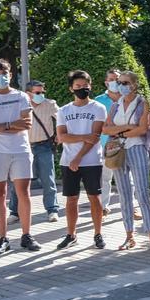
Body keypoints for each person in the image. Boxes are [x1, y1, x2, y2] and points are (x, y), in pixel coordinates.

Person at [0, 59, 40, 254]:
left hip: (20, 149)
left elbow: (26, 123)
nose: (1, 76)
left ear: (10, 74)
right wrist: (10, 125)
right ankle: (2, 238)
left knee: (24, 193)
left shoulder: (21, 96)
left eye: (4, 72)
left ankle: (27, 235)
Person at [102, 71, 150, 252]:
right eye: (119, 82)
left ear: (134, 84)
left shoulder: (142, 103)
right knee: (123, 193)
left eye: (125, 82)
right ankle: (129, 236)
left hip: (137, 148)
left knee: (142, 192)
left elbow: (142, 129)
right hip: (118, 150)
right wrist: (126, 128)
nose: (121, 85)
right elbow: (105, 128)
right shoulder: (115, 105)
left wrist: (117, 131)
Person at [55, 71, 107, 250]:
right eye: (78, 86)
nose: (82, 89)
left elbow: (95, 138)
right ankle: (71, 234)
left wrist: (78, 156)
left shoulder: (98, 108)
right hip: (68, 161)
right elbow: (61, 137)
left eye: (85, 86)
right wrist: (84, 136)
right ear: (71, 88)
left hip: (91, 160)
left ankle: (98, 233)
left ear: (90, 86)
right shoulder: (63, 110)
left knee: (95, 197)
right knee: (71, 199)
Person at [7, 80, 60, 224]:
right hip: (23, 147)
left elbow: (61, 120)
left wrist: (59, 136)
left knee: (48, 179)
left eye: (42, 92)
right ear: (28, 93)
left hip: (44, 146)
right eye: (37, 93)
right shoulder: (18, 105)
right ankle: (14, 212)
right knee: (18, 181)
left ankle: (52, 210)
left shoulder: (50, 104)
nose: (41, 95)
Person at [93, 69, 124, 215]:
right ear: (106, 82)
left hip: (125, 142)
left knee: (126, 177)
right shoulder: (98, 101)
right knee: (105, 177)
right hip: (105, 144)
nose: (115, 82)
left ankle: (130, 206)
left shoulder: (127, 98)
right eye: (112, 79)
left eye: (118, 79)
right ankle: (103, 208)